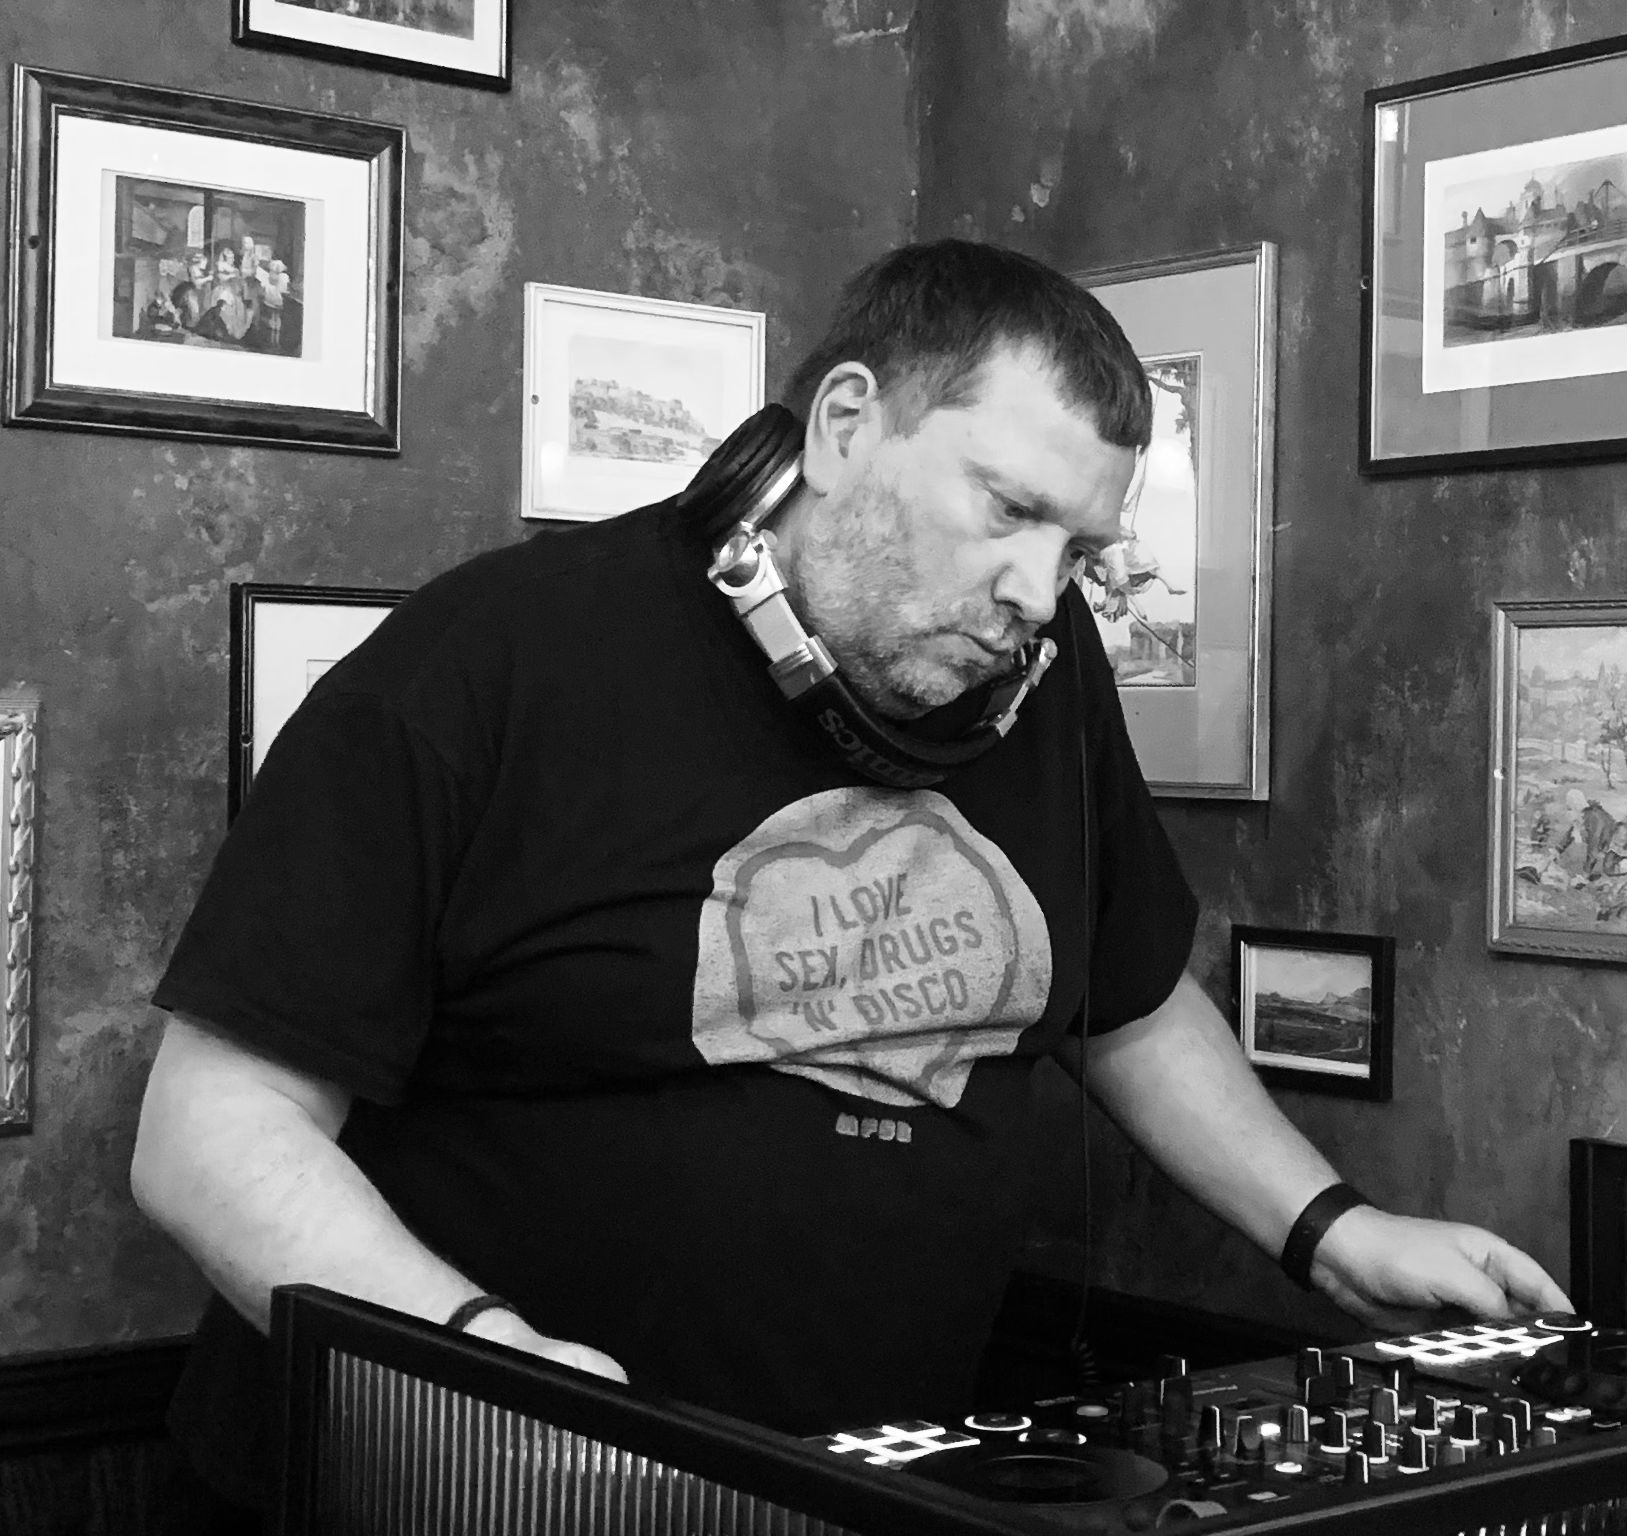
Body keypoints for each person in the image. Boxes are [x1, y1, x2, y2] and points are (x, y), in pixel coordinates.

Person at [130, 239, 1568, 1521]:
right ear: (842, 427)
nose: (1037, 594)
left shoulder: (1036, 674)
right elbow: (210, 1134)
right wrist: (493, 1378)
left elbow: (1124, 997)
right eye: (1006, 509)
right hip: (448, 1489)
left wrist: (1330, 1230)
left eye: (1078, 550)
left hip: (852, 1484)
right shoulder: (481, 670)